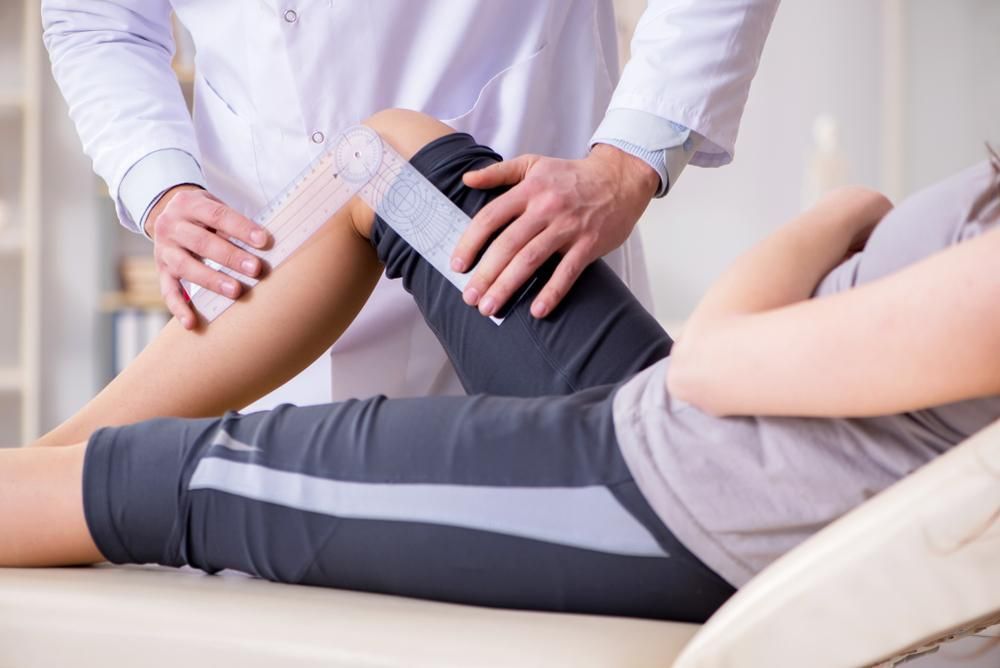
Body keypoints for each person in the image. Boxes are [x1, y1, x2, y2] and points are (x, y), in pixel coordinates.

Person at [6, 111, 999, 622]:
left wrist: (843, 211)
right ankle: (31, 469)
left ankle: (29, 489)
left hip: (666, 498)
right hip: (689, 425)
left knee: (166, 477)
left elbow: (710, 364)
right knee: (385, 156)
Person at [41, 0, 779, 405]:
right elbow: (94, 19)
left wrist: (629, 163)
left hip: (506, 264)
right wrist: (158, 183)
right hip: (260, 274)